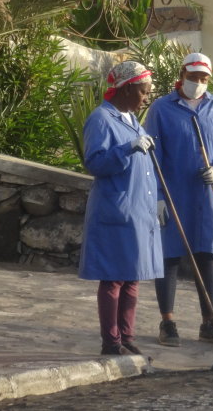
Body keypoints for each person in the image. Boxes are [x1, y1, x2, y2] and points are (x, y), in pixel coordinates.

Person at [145, 52, 213, 347]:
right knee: (169, 256)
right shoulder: (162, 109)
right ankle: (168, 322)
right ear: (182, 75)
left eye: (203, 78)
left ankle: (209, 323)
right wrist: (157, 196)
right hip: (173, 194)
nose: (198, 83)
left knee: (205, 256)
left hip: (207, 195)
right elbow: (152, 156)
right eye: (193, 77)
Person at [79, 61, 164, 355]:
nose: (146, 98)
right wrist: (127, 148)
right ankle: (111, 341)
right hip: (116, 211)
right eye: (143, 91)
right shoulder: (102, 119)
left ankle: (128, 336)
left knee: (132, 277)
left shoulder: (132, 119)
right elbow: (95, 163)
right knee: (113, 278)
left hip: (138, 212)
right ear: (127, 89)